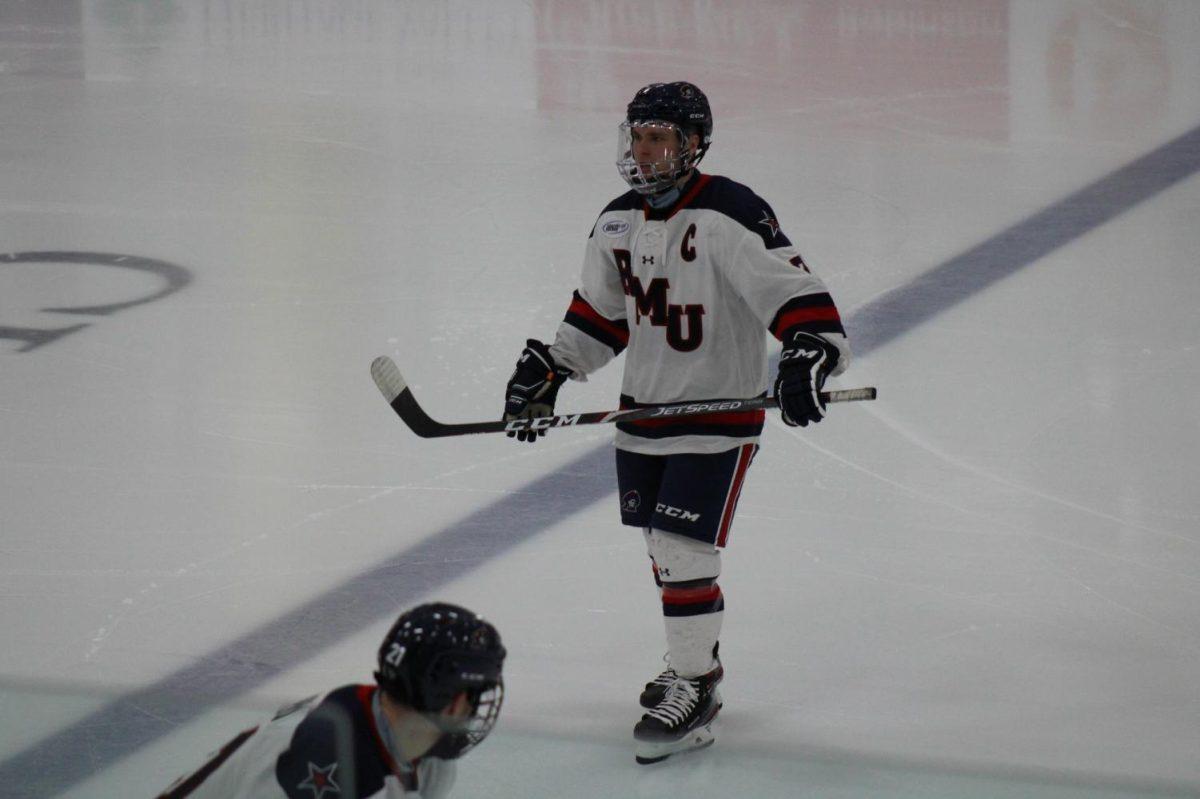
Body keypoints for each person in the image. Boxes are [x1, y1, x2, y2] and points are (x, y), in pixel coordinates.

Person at [502, 81, 851, 764]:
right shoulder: (614, 223)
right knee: (666, 552)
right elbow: (600, 319)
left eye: (662, 137)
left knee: (686, 548)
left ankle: (694, 685)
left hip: (719, 413)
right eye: (639, 136)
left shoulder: (730, 212)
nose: (647, 151)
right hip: (646, 413)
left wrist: (810, 351)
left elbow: (794, 294)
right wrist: (551, 370)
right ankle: (693, 661)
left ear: (694, 145)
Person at [157, 603, 505, 798]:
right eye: (475, 695)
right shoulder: (321, 757)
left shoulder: (428, 758)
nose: (475, 711)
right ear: (453, 702)